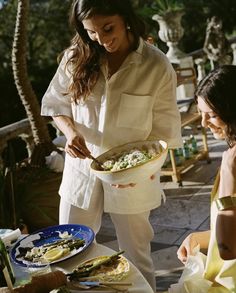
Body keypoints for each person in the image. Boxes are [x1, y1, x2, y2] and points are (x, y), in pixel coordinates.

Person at [41, 0, 182, 291]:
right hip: (81, 171)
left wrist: (138, 171)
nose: (102, 40)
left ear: (125, 18)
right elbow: (56, 103)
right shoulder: (75, 57)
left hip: (134, 175)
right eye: (92, 32)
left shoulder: (156, 65)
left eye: (108, 28)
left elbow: (165, 132)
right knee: (68, 253)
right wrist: (70, 133)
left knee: (137, 256)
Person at [175, 65, 236, 292]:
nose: (203, 123)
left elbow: (229, 248)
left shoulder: (232, 162)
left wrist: (229, 173)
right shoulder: (231, 155)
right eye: (201, 113)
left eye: (211, 115)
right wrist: (196, 238)